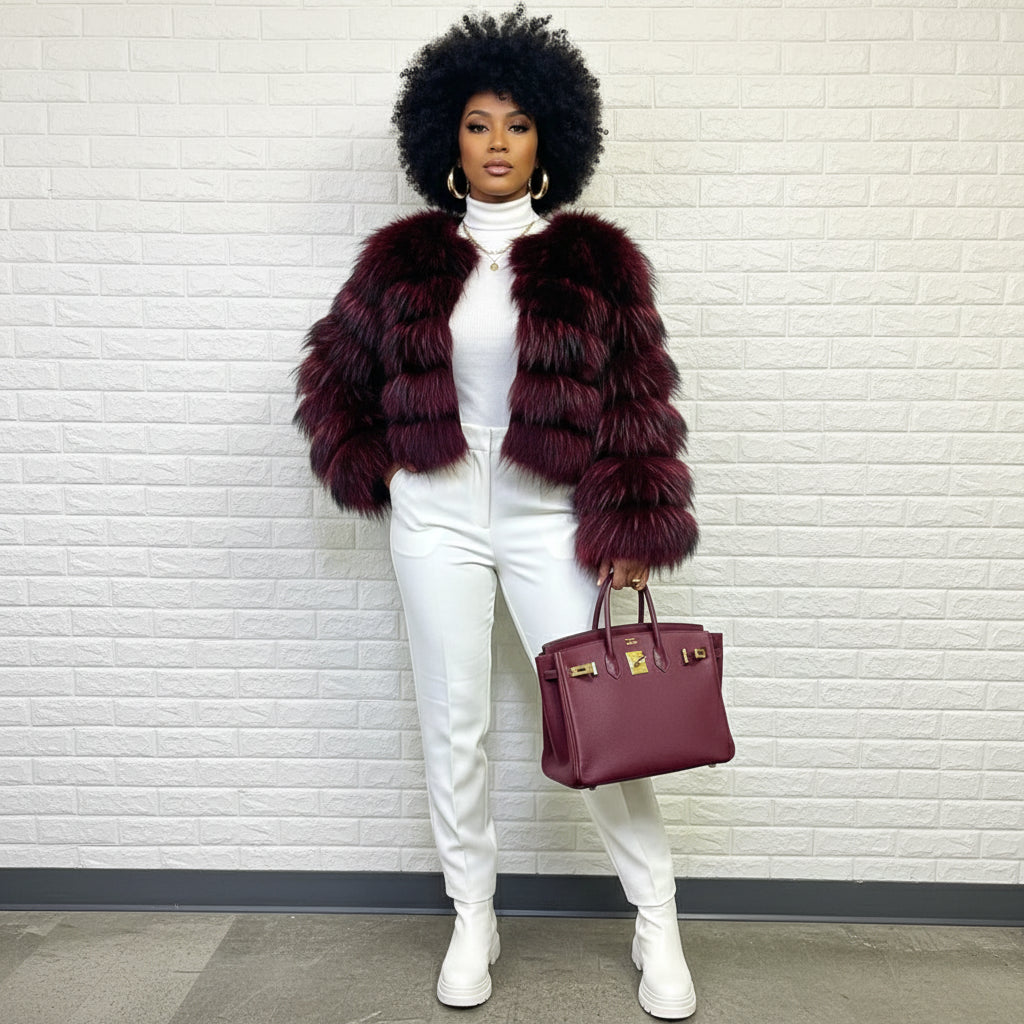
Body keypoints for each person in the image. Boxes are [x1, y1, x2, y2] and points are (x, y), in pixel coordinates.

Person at [294, 6, 700, 1018]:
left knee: (605, 718)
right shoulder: (401, 262)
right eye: (478, 124)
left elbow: (639, 404)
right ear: (447, 139)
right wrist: (384, 472)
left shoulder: (594, 262)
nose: (497, 144)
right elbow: (333, 378)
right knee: (455, 724)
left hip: (551, 521)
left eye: (517, 124)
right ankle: (471, 915)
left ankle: (657, 922)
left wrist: (630, 535)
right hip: (436, 519)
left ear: (549, 139)